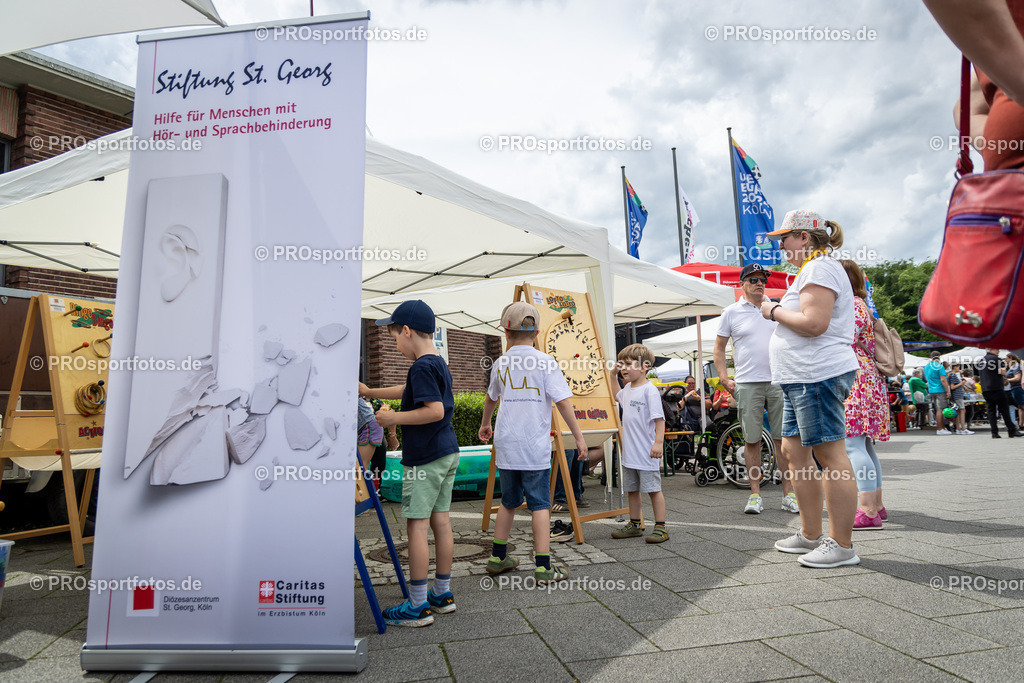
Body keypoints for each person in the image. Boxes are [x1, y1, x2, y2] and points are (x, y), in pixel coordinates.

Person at [762, 210, 861, 568]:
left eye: (784, 238)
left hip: (815, 374)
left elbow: (814, 323)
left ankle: (842, 544)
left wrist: (773, 311)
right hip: (801, 377)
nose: (781, 246)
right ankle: (810, 534)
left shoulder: (819, 268)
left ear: (804, 237)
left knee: (829, 455)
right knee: (794, 452)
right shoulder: (814, 269)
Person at [360, 299, 460, 627]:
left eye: (394, 339)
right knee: (441, 522)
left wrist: (393, 419)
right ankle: (441, 594)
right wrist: (371, 390)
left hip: (426, 458)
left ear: (406, 331)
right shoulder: (436, 362)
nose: (396, 346)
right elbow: (408, 391)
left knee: (416, 525)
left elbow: (434, 410)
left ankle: (417, 605)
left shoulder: (420, 367)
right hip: (446, 453)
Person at [478, 301, 588, 583]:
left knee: (508, 502)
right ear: (537, 332)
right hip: (533, 445)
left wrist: (485, 424)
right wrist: (578, 437)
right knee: (539, 504)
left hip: (506, 443)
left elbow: (491, 398)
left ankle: (498, 557)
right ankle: (543, 567)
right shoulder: (546, 361)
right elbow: (563, 403)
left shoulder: (500, 363)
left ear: (506, 332)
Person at [713, 262, 796, 516]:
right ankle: (755, 495)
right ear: (742, 284)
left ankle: (789, 494)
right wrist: (724, 378)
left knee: (783, 440)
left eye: (763, 279)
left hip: (778, 380)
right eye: (753, 279)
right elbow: (719, 348)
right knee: (752, 440)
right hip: (747, 382)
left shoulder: (776, 308)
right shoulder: (731, 312)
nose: (760, 283)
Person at [840, 260, 891, 530]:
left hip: (857, 379)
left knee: (853, 444)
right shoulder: (862, 305)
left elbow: (843, 338)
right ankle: (877, 505)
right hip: (868, 379)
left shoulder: (852, 306)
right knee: (865, 445)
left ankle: (868, 509)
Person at [610, 343, 669, 543]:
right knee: (632, 489)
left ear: (644, 367)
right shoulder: (627, 388)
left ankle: (661, 527)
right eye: (622, 364)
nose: (623, 368)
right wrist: (612, 376)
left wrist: (658, 443)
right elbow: (615, 395)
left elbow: (659, 420)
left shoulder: (649, 391)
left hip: (646, 452)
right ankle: (635, 524)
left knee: (653, 489)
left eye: (628, 364)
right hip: (630, 453)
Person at [977, 348, 1020, 438]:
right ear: (991, 349)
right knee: (1004, 410)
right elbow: (1003, 372)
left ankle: (994, 432)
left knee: (991, 411)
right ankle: (1012, 430)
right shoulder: (996, 359)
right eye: (997, 349)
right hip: (996, 387)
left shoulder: (981, 360)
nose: (999, 351)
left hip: (985, 388)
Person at [923, 351, 953, 435]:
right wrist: (947, 391)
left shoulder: (927, 366)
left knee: (937, 409)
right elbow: (943, 379)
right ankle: (940, 429)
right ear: (939, 357)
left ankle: (942, 428)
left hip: (931, 389)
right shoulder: (939, 366)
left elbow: (926, 378)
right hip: (940, 389)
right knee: (940, 409)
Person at [948, 363, 974, 435]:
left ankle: (958, 428)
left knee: (958, 411)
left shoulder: (954, 375)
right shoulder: (953, 376)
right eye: (958, 367)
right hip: (957, 395)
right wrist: (961, 383)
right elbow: (952, 387)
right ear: (955, 367)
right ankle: (963, 428)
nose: (959, 369)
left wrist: (963, 386)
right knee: (962, 410)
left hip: (958, 394)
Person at [1006, 354, 1024, 427]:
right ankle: (1021, 424)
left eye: (1006, 359)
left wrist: (1007, 380)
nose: (1006, 361)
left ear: (1011, 358)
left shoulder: (1016, 367)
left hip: (1017, 388)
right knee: (1020, 407)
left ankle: (1021, 424)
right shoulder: (1012, 367)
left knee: (1022, 406)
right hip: (1015, 388)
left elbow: (1017, 378)